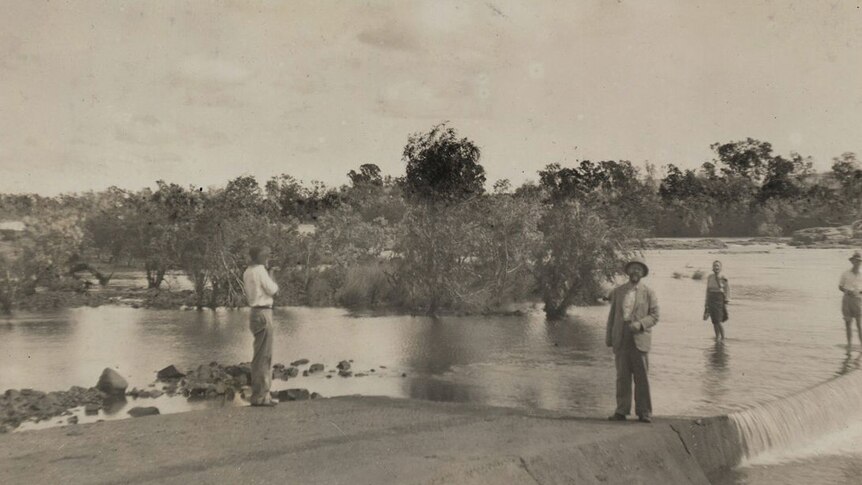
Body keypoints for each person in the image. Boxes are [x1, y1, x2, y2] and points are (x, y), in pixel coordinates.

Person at [606, 256, 660, 423]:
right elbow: (612, 315)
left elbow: (655, 316)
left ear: (643, 273)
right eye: (633, 268)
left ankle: (644, 412)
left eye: (639, 269)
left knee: (641, 377)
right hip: (621, 337)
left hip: (639, 338)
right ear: (628, 271)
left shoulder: (649, 292)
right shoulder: (618, 291)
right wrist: (609, 337)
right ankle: (621, 410)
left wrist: (640, 324)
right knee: (622, 377)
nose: (635, 271)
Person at [242, 246, 280, 407]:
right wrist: (272, 274)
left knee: (259, 355)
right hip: (263, 313)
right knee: (264, 356)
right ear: (257, 257)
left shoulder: (247, 271)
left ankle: (260, 394)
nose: (267, 257)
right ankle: (261, 397)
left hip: (254, 313)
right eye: (264, 255)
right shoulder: (260, 270)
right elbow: (273, 290)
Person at [839, 251, 862, 350]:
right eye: (855, 261)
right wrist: (846, 291)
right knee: (848, 323)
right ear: (852, 262)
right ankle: (849, 345)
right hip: (847, 300)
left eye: (859, 261)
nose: (857, 263)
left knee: (859, 324)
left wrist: (859, 293)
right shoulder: (845, 273)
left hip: (858, 300)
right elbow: (840, 286)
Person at [703, 260, 730, 341]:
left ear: (721, 268)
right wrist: (706, 302)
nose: (716, 267)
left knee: (718, 320)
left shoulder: (723, 277)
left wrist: (727, 300)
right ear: (712, 267)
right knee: (714, 321)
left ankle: (723, 338)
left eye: (718, 266)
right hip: (711, 299)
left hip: (719, 299)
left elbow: (727, 289)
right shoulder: (710, 277)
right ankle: (717, 337)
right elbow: (707, 290)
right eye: (714, 266)